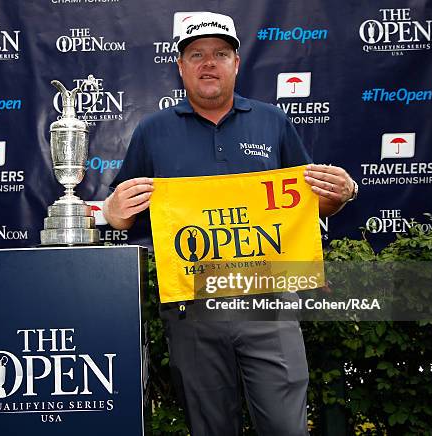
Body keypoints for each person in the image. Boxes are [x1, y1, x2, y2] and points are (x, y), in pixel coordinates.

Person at [103, 12, 357, 436]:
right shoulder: (152, 131)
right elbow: (124, 214)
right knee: (210, 428)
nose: (208, 63)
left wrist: (341, 194)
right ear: (180, 66)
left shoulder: (272, 121)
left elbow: (311, 205)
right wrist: (112, 213)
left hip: (269, 304)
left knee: (285, 427)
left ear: (237, 63)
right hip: (192, 309)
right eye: (196, 54)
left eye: (220, 53)